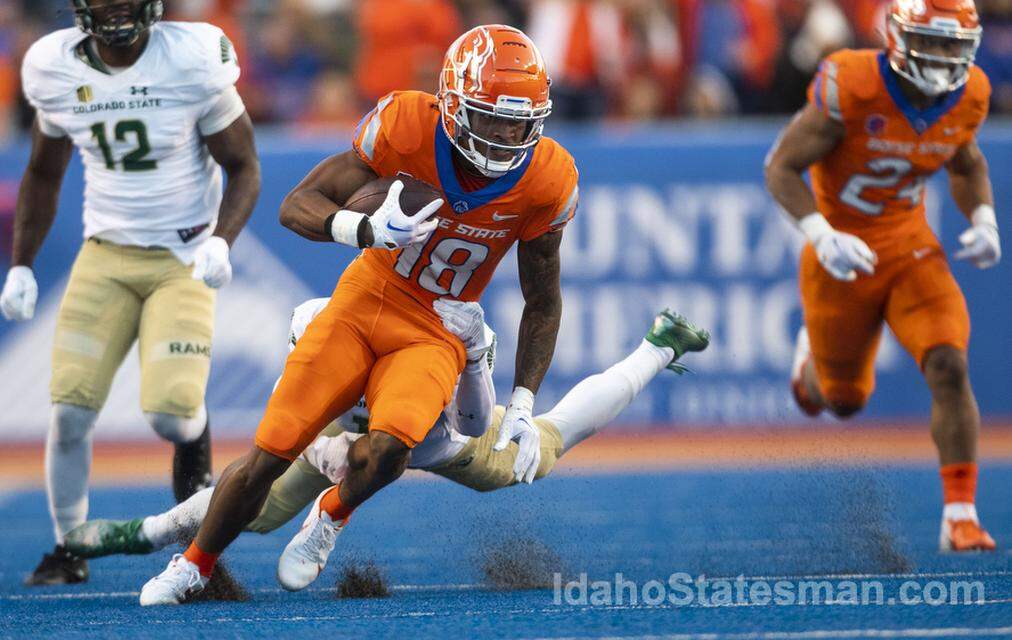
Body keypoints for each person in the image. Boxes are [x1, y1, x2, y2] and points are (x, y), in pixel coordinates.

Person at [137, 24, 579, 605]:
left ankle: (331, 513)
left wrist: (523, 399)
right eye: (488, 117)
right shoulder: (405, 127)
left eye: (516, 122)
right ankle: (194, 564)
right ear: (451, 104)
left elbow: (542, 299)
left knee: (392, 448)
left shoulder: (548, 178)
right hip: (366, 298)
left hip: (438, 327)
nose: (502, 136)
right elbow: (296, 205)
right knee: (270, 451)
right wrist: (363, 228)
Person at [63, 301, 709, 571]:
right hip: (350, 445)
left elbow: (470, 424)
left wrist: (477, 361)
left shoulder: (420, 347)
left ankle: (656, 348)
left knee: (543, 447)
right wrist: (341, 456)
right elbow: (317, 439)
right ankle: (141, 533)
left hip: (431, 435)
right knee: (255, 507)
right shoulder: (321, 342)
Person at [0, 0, 261, 585]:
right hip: (106, 255)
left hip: (181, 257)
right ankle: (69, 547)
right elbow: (44, 172)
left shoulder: (192, 57)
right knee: (69, 410)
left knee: (171, 417)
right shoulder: (54, 66)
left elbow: (244, 165)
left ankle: (194, 486)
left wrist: (221, 241)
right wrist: (22, 264)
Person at [764, 0, 998, 551]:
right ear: (896, 35)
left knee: (948, 361)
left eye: (952, 45)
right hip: (840, 255)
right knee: (842, 401)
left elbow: (966, 163)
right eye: (932, 42)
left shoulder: (971, 93)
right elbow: (781, 166)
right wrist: (822, 234)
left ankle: (959, 514)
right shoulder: (852, 82)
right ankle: (809, 366)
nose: (943, 58)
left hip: (909, 248)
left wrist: (984, 217)